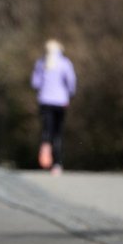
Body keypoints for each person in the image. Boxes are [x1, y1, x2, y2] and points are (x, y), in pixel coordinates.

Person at [31, 39, 77, 175]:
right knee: (57, 133)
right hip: (60, 101)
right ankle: (57, 164)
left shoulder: (41, 63)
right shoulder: (65, 63)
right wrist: (69, 94)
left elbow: (35, 83)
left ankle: (45, 145)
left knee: (46, 129)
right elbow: (71, 82)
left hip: (45, 101)